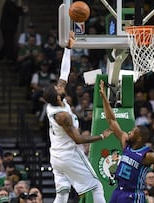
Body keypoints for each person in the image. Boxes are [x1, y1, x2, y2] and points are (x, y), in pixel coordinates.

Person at [42, 31, 108, 203]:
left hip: (55, 156)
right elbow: (78, 140)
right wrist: (102, 136)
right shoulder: (63, 116)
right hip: (69, 155)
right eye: (57, 89)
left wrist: (68, 49)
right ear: (58, 97)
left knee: (62, 193)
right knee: (96, 186)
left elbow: (64, 74)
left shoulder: (53, 103)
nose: (60, 86)